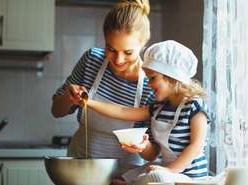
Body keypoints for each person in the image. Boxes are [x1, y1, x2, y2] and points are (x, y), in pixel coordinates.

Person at [51, 0, 155, 183]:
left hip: (124, 176)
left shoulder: (151, 82)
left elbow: (153, 153)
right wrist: (69, 97)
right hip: (80, 168)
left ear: (143, 44)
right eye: (111, 49)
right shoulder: (92, 60)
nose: (118, 59)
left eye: (128, 52)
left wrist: (143, 146)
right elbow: (56, 111)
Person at [84, 40, 210, 184]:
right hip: (166, 170)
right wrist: (88, 102)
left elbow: (196, 146)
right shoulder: (159, 108)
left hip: (190, 177)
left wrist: (169, 170)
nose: (149, 84)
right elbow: (123, 111)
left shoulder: (195, 106)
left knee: (157, 178)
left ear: (173, 78)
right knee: (120, 177)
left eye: (153, 78)